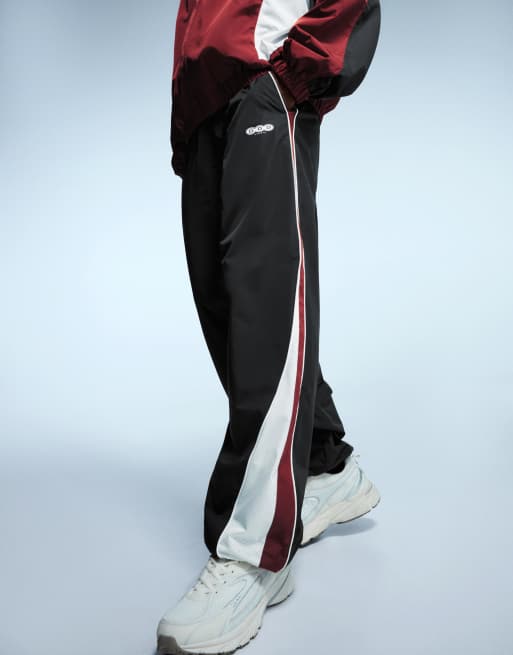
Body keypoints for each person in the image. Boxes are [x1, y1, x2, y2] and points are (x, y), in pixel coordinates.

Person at [157, 1, 382, 653]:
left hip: (264, 80)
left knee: (265, 308)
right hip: (205, 99)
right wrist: (186, 112)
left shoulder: (274, 82)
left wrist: (291, 75)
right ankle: (322, 462)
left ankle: (253, 550)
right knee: (229, 308)